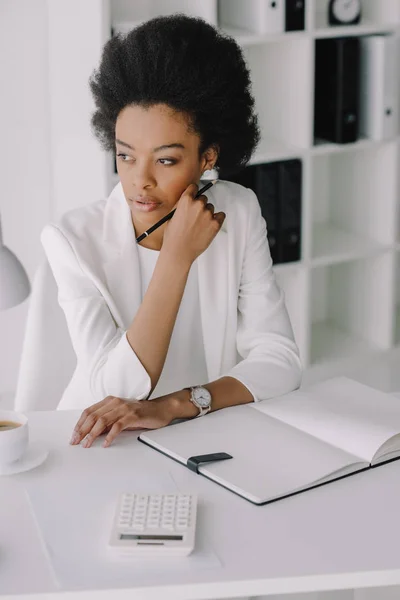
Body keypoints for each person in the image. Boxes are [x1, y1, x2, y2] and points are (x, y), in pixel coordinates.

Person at [41, 14, 302, 449]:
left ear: (207, 157)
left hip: (203, 431)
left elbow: (281, 361)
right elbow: (118, 390)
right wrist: (177, 258)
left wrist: (179, 404)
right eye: (125, 156)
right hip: (100, 444)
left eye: (165, 160)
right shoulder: (72, 240)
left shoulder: (238, 211)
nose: (139, 180)